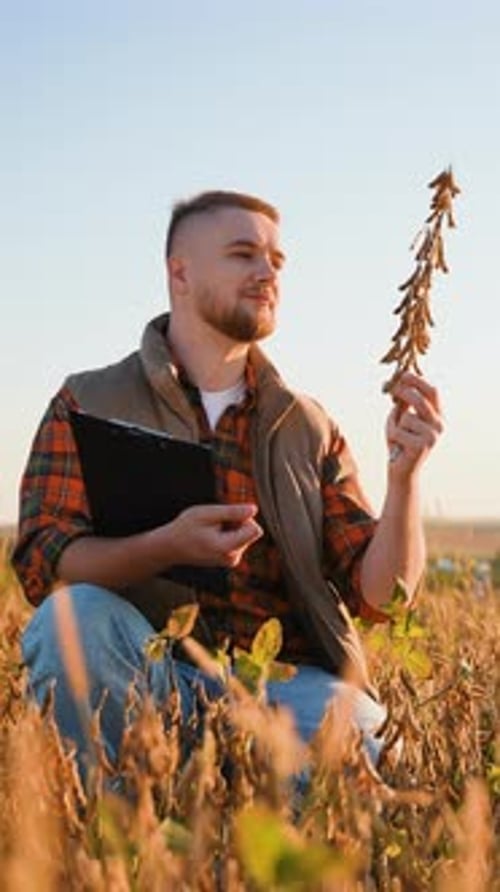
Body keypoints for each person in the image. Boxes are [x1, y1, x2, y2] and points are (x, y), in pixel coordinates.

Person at [12, 190, 443, 776]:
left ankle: (251, 805)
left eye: (277, 260)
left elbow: (380, 597)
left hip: (287, 687)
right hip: (148, 674)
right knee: (74, 619)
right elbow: (45, 562)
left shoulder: (308, 425)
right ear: (180, 273)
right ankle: (118, 834)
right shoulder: (87, 401)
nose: (267, 272)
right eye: (244, 254)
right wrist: (166, 547)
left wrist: (405, 478)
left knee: (377, 768)